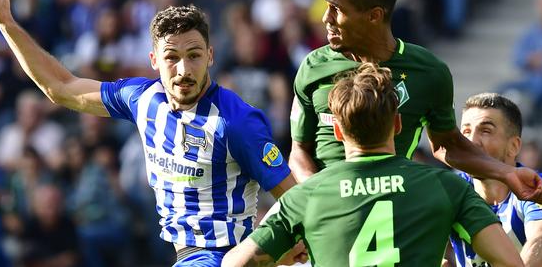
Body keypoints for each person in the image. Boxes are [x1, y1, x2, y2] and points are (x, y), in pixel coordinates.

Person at [0, 0, 296, 266]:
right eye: (172, 57)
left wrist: (281, 251)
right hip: (188, 255)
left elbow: (295, 198)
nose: (184, 70)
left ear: (210, 55)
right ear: (154, 60)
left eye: (195, 55)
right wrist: (6, 25)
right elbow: (61, 87)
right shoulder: (143, 99)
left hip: (226, 255)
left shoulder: (236, 121)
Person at [288, 0, 542, 204]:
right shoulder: (313, 66)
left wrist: (508, 172)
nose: (326, 18)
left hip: (392, 212)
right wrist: (318, 202)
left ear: (374, 16)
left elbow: (448, 146)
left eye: (337, 9)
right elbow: (299, 150)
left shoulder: (428, 72)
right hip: (323, 215)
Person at [222, 63, 524, 267]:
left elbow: (235, 264)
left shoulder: (304, 196)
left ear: (338, 131)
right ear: (397, 124)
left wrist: (282, 257)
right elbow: (510, 263)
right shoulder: (447, 186)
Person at [447, 93, 542, 267]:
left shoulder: (535, 185)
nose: (472, 141)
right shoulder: (452, 189)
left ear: (513, 146)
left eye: (486, 131)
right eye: (466, 131)